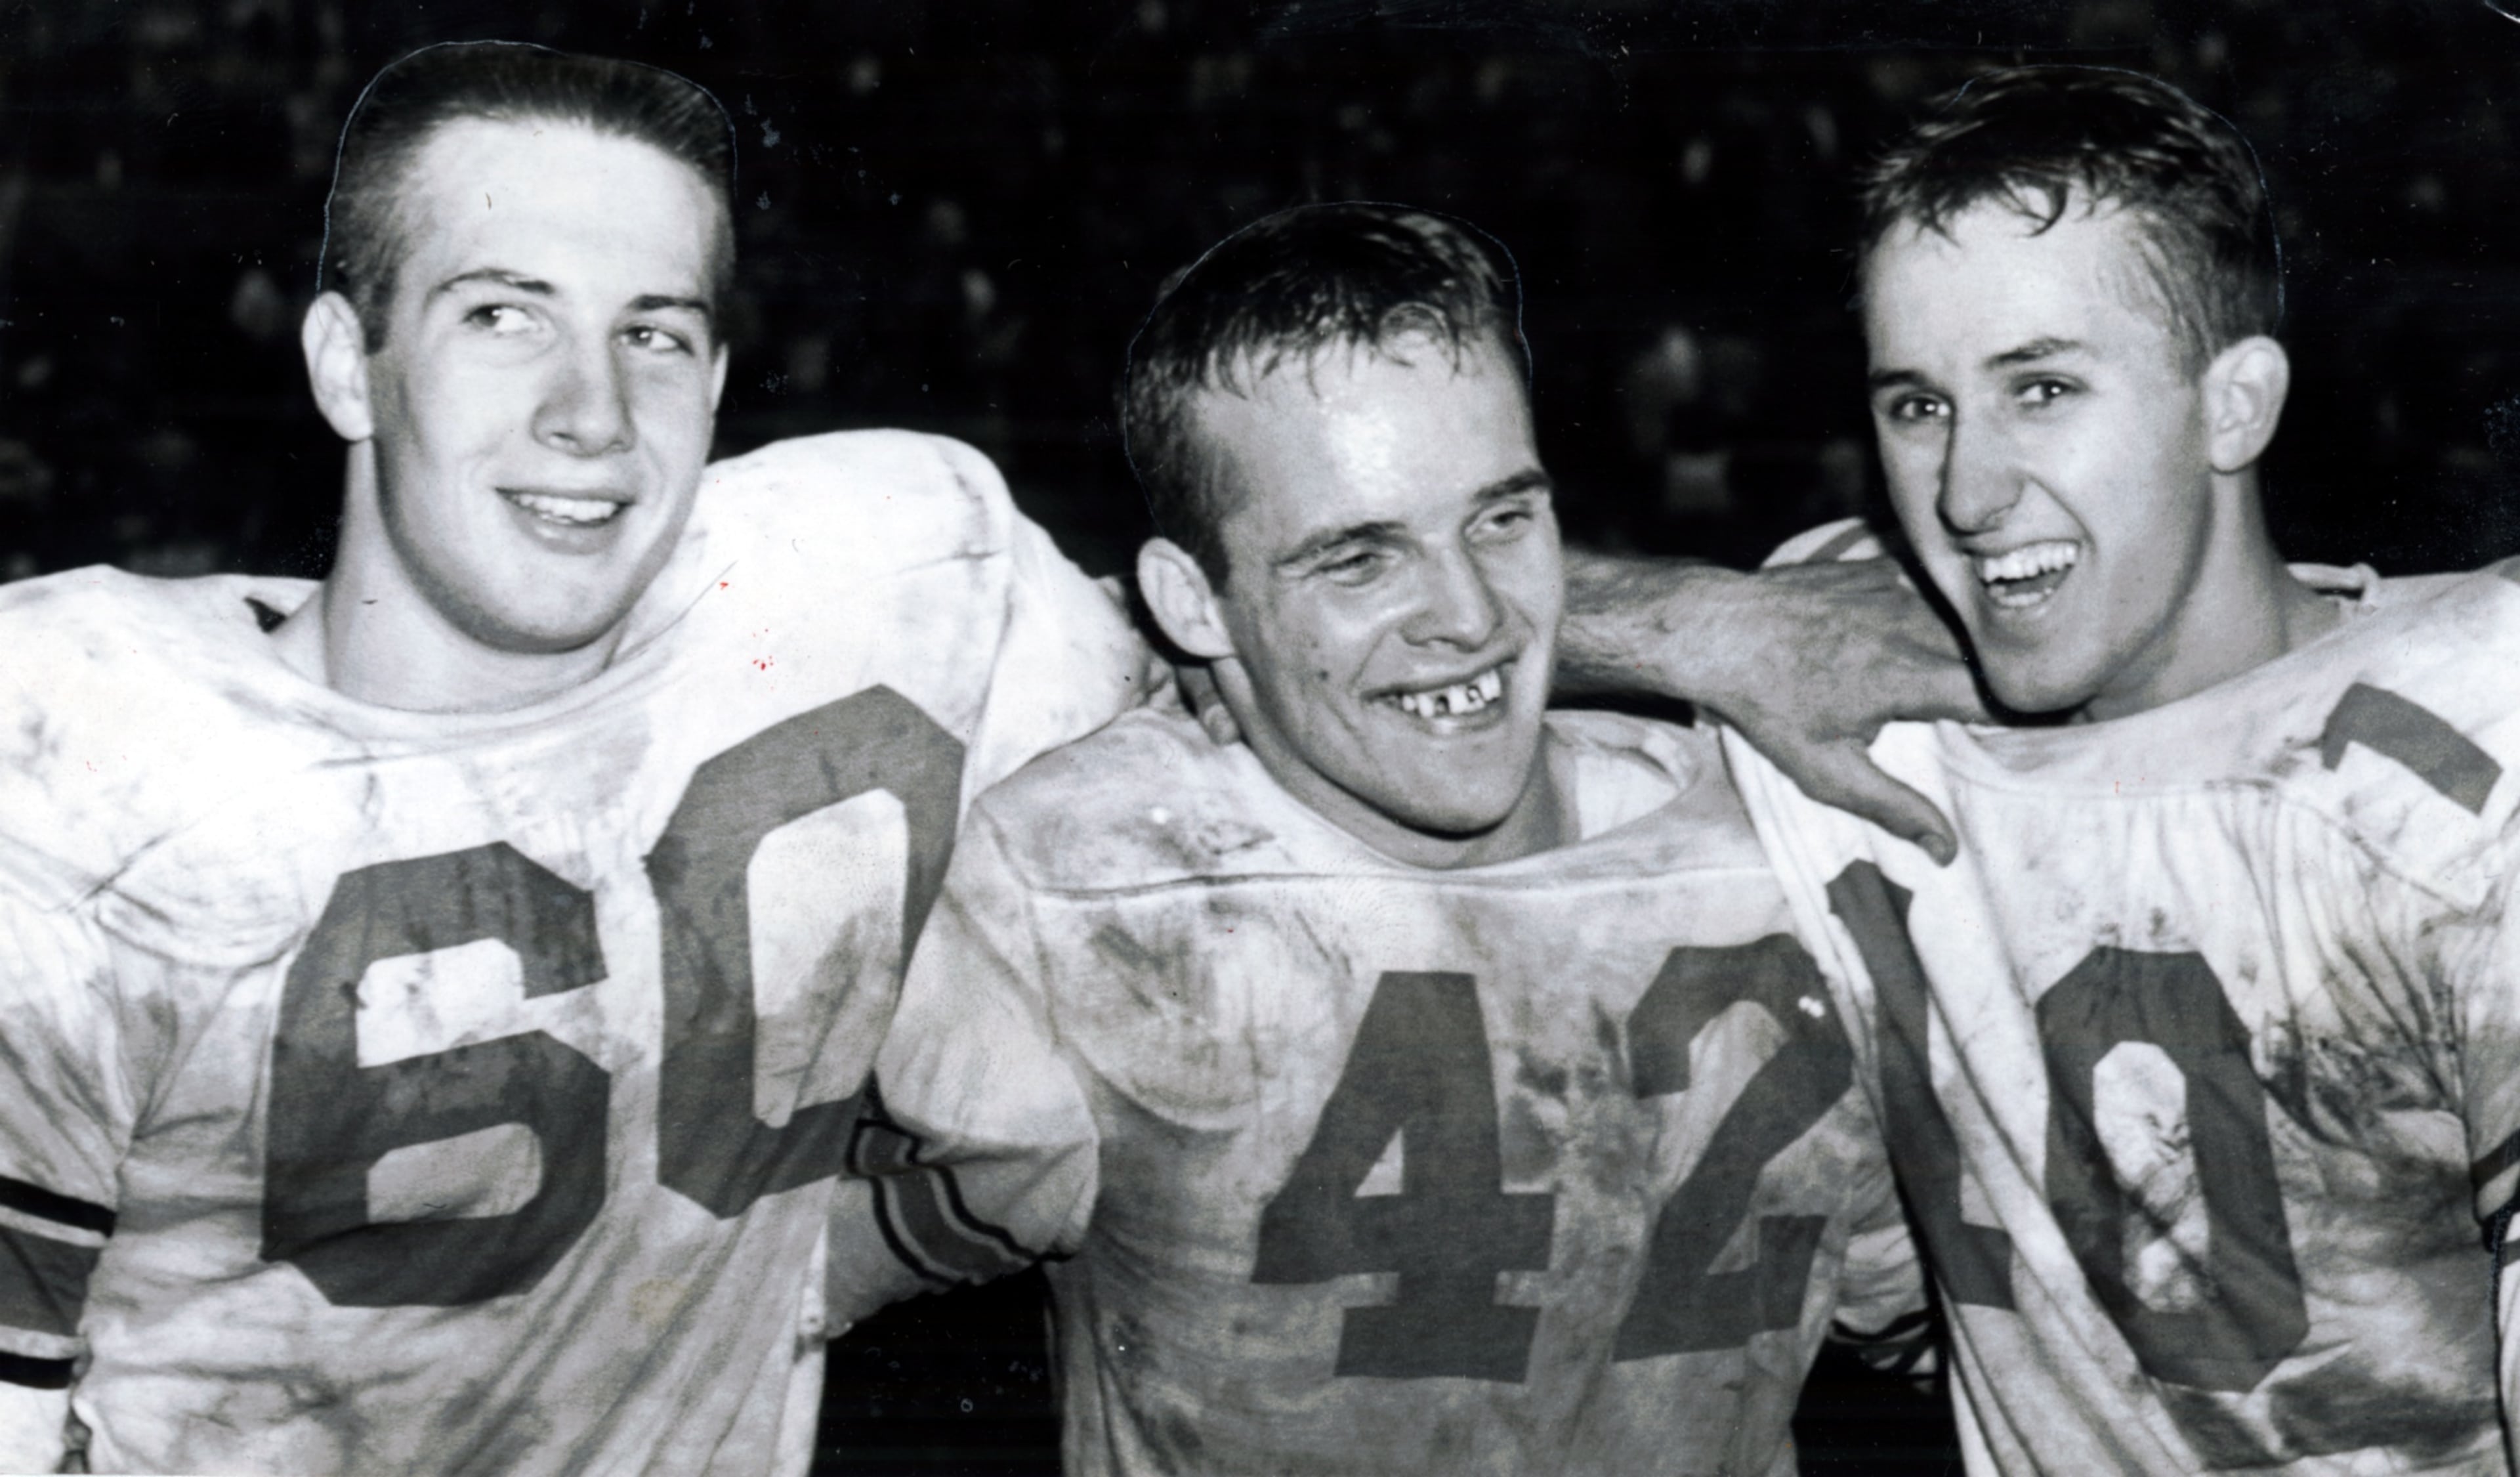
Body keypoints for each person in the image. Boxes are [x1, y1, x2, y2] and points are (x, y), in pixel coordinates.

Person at [0, 37, 1974, 1477]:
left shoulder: (892, 573)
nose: (590, 410)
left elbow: (1289, 626)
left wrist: (1691, 626)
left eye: (657, 331)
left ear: (719, 371)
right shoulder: (76, 759)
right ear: (344, 362)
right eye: (502, 314)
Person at [835, 203, 1929, 1476]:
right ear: (1193, 603)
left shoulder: (1780, 845)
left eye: (1503, 520)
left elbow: (1957, 1326)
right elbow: (742, 1300)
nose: (1468, 614)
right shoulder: (1064, 886)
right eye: (1359, 559)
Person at [1724, 66, 2520, 1472]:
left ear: (2235, 407)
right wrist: (1688, 625)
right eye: (1918, 406)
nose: (1967, 493)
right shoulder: (1838, 701)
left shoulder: (2469, 736)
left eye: (2042, 389)